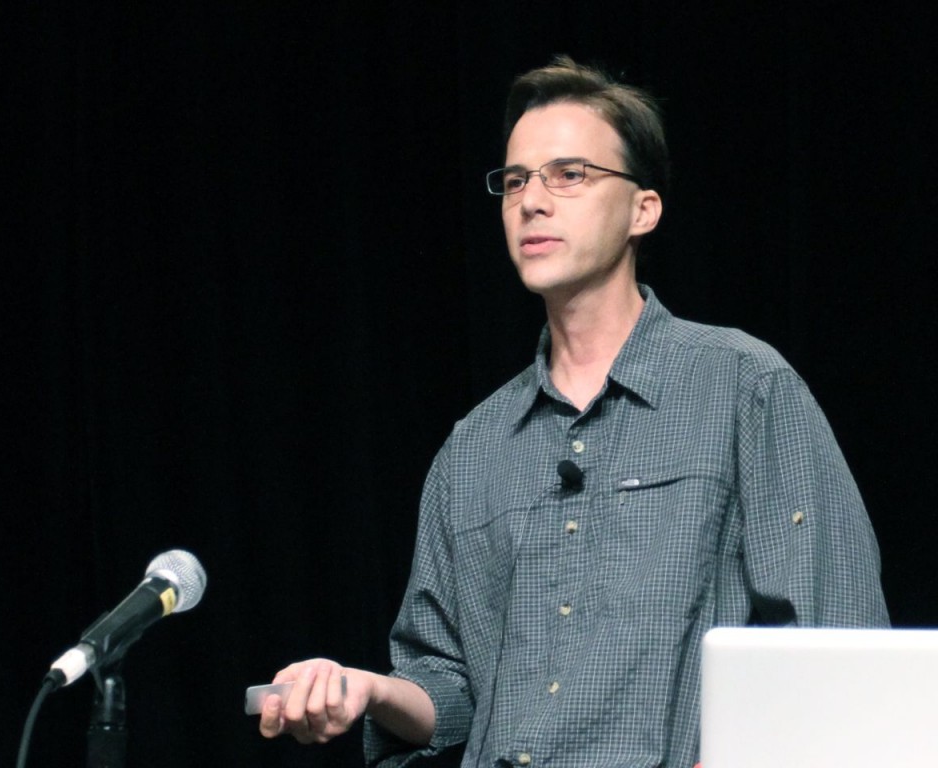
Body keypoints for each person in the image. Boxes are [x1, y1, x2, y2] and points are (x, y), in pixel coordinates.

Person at [258, 55, 889, 768]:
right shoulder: (473, 449)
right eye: (516, 180)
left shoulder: (743, 387)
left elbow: (834, 642)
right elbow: (448, 689)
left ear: (642, 209)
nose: (532, 200)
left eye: (569, 174)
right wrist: (364, 690)